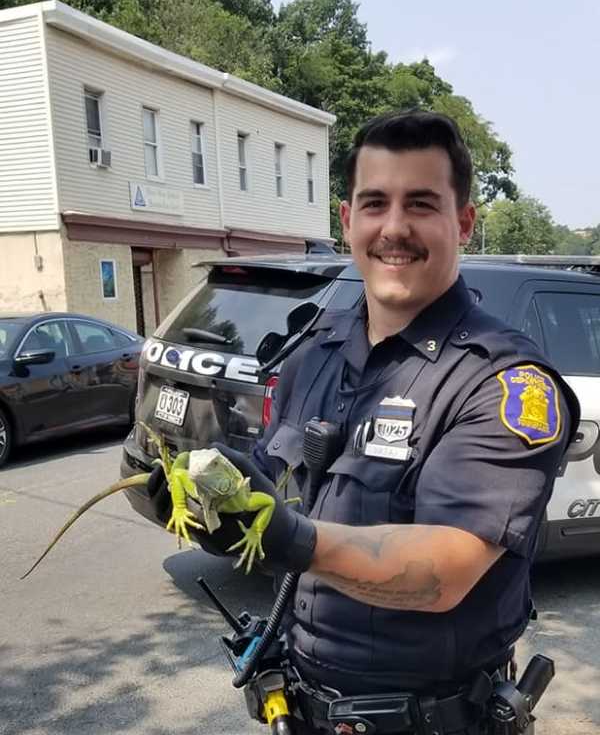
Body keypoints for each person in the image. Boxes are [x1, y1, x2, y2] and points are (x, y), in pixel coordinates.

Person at [149, 110, 580, 734]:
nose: (395, 228)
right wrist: (217, 499)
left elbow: (444, 572)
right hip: (301, 706)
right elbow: (278, 484)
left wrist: (293, 538)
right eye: (375, 203)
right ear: (348, 221)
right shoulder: (315, 351)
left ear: (462, 222)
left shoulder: (502, 383)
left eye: (422, 204)